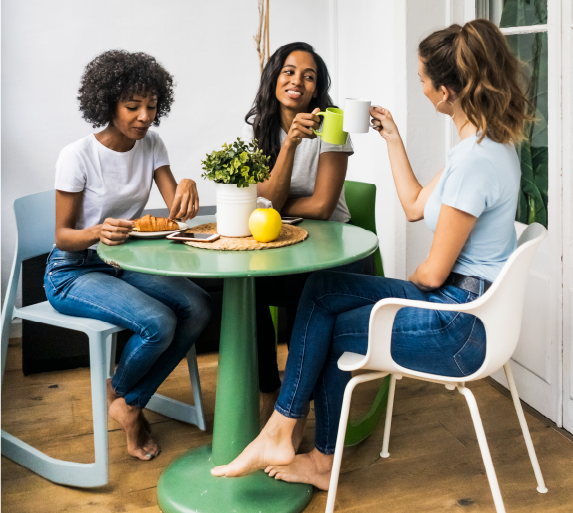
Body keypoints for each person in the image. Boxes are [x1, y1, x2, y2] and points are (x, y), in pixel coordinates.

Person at [211, 19, 531, 489]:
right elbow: (415, 205)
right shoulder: (482, 145)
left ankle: (311, 452)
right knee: (320, 292)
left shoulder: (475, 161)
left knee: (333, 324)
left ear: (445, 91)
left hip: (459, 322)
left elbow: (430, 274)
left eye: (422, 79)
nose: (419, 87)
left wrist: (391, 292)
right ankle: (283, 431)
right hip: (465, 305)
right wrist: (393, 139)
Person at [44, 50, 212, 461]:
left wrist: (187, 184)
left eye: (152, 107)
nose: (144, 117)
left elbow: (177, 217)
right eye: (132, 106)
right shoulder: (77, 155)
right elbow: (63, 237)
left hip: (124, 261)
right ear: (108, 104)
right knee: (158, 322)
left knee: (199, 305)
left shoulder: (152, 144)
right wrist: (98, 232)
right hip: (72, 270)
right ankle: (131, 406)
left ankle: (124, 397)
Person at [242, 42, 361, 439]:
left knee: (303, 290)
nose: (297, 81)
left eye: (309, 77)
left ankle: (297, 402)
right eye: (289, 71)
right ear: (274, 77)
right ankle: (269, 390)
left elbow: (324, 205)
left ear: (316, 89)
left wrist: (273, 202)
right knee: (246, 289)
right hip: (278, 239)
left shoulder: (333, 123)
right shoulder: (260, 126)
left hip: (331, 248)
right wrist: (289, 143)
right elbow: (266, 203)